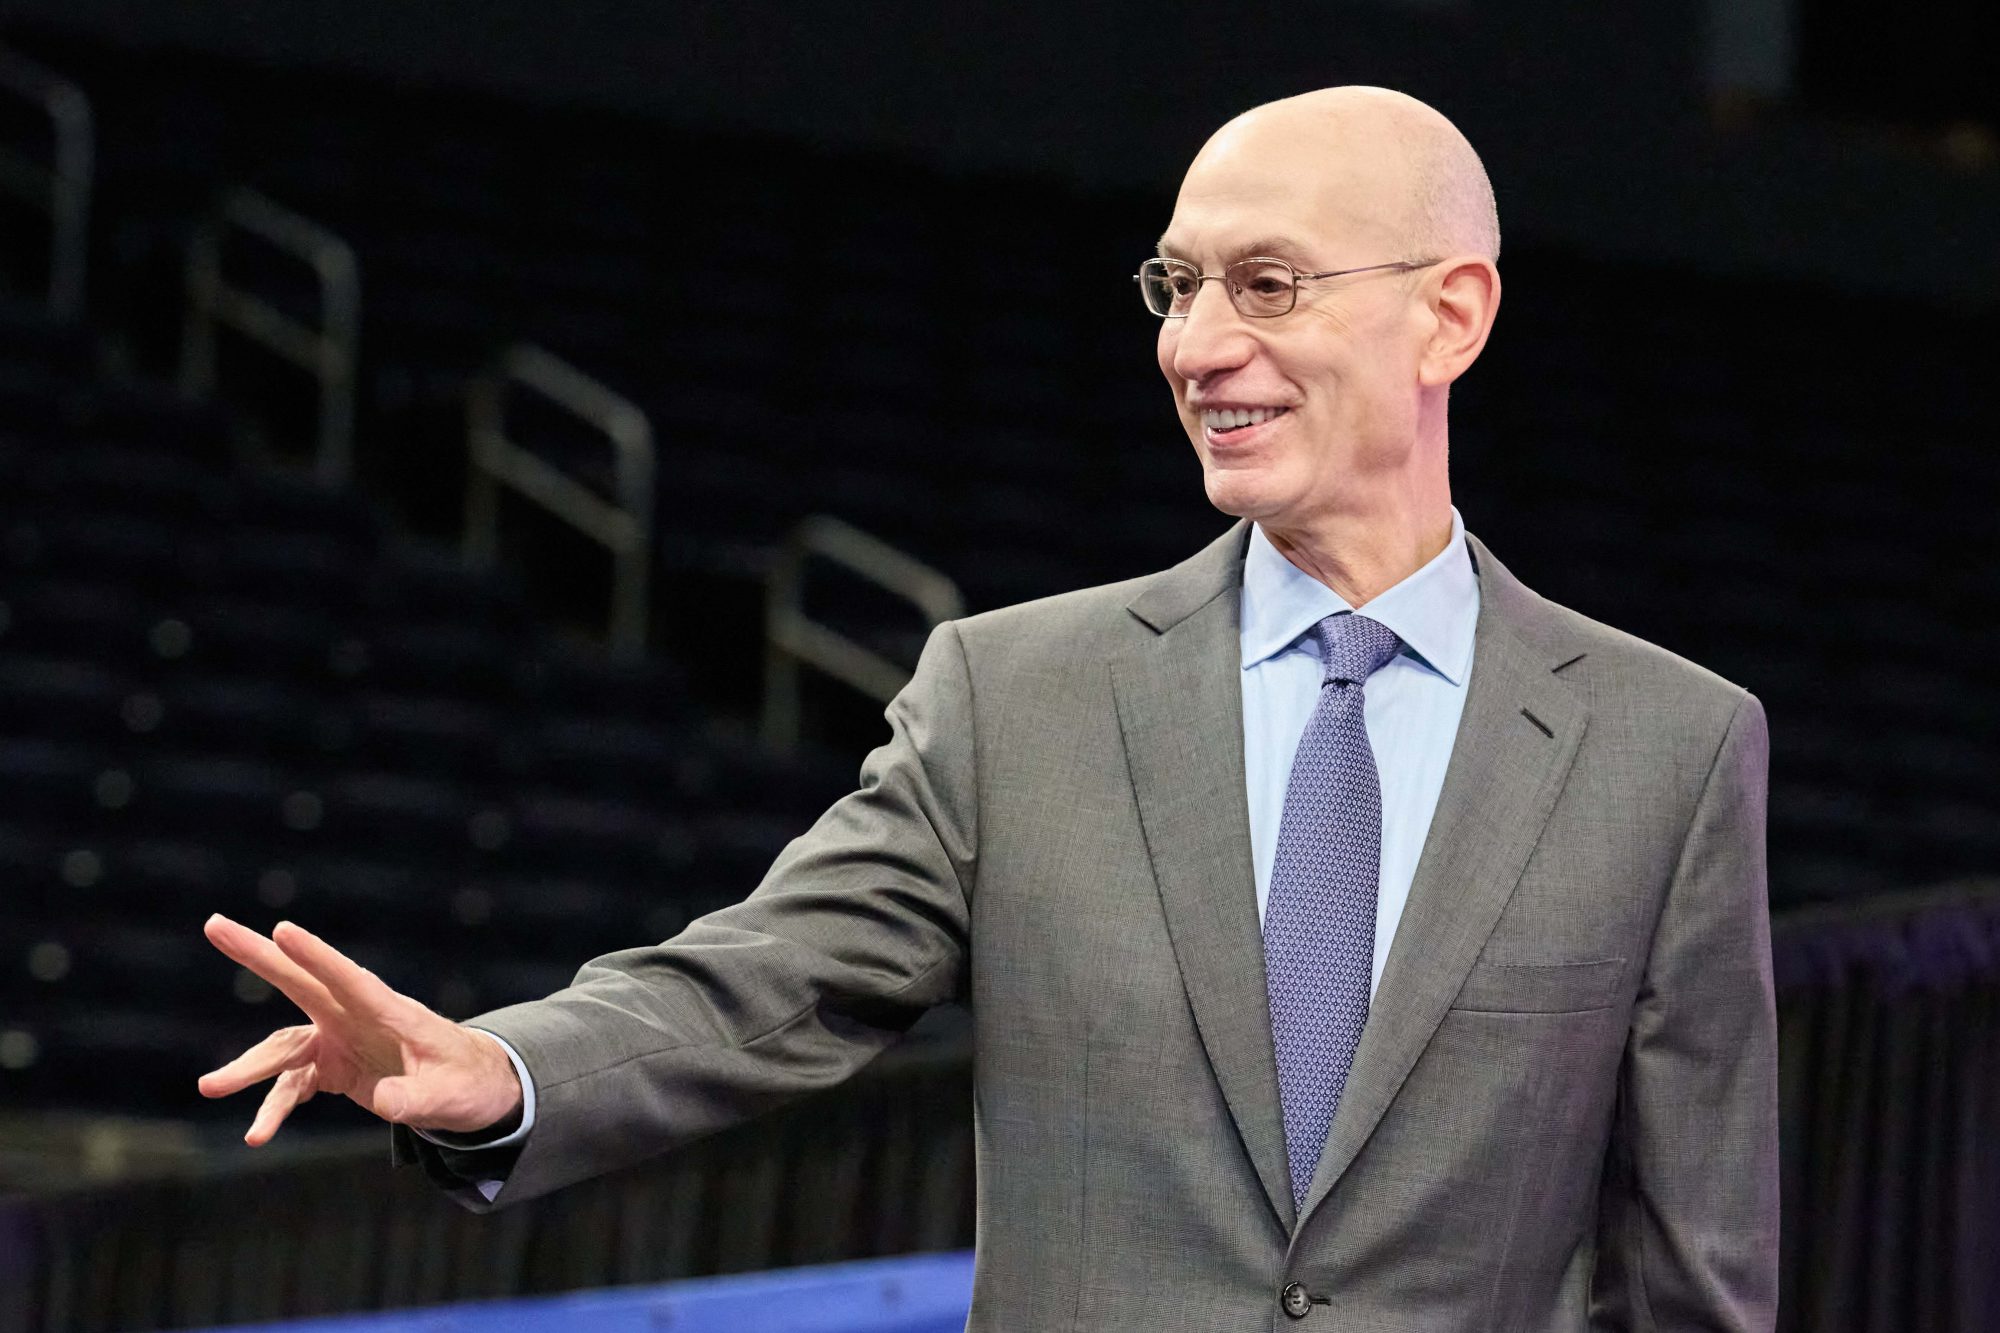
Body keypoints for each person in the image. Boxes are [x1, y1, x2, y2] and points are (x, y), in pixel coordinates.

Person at [200, 86, 1778, 1330]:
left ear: (1451, 314)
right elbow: (765, 982)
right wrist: (503, 1074)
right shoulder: (1016, 695)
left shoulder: (1670, 745)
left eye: (1270, 285)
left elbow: (1695, 1275)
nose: (1197, 345)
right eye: (1178, 284)